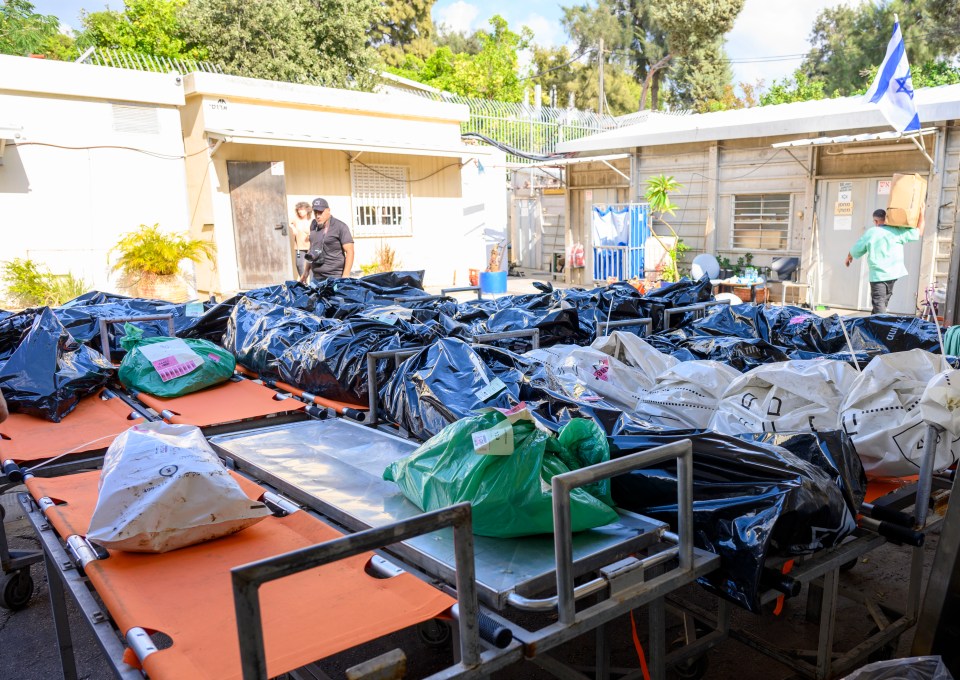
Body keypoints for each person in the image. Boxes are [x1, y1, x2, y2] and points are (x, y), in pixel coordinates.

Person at [845, 208, 922, 314]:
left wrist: (849, 257)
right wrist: (922, 212)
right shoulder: (897, 231)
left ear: (876, 221)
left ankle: (881, 328)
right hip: (893, 274)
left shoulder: (872, 232)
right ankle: (874, 325)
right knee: (882, 302)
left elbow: (856, 249)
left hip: (879, 276)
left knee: (879, 304)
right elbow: (919, 231)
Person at [298, 197, 354, 284]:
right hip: (316, 278)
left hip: (334, 278)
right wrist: (306, 272)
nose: (318, 215)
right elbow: (312, 249)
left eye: (321, 212)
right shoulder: (313, 225)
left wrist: (345, 277)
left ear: (328, 210)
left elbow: (350, 251)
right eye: (315, 212)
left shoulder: (340, 227)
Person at [290, 201, 313, 276]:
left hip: (311, 247)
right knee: (299, 264)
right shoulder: (296, 219)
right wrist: (293, 228)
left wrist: (310, 235)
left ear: (307, 210)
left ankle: (313, 284)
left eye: (302, 209)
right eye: (298, 209)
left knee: (312, 265)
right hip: (300, 247)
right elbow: (289, 222)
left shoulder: (311, 220)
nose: (300, 211)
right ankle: (304, 281)